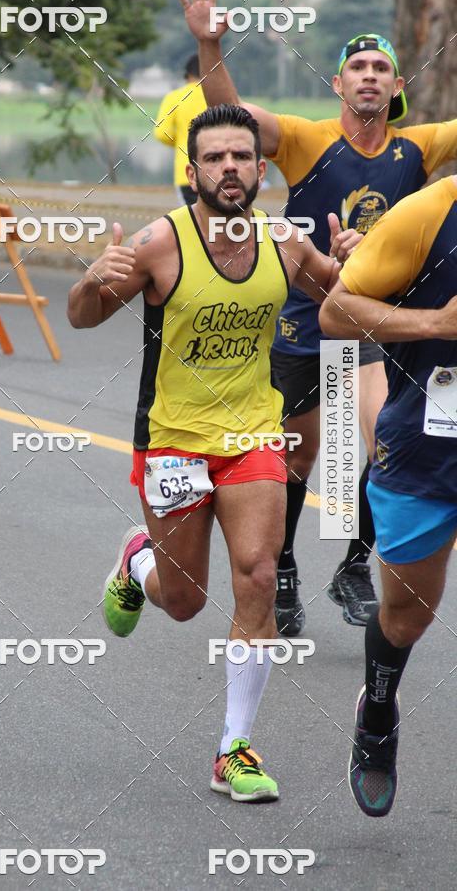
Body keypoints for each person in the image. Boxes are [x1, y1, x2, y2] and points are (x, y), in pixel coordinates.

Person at [68, 104, 360, 802]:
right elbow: (81, 315)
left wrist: (355, 261)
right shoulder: (156, 245)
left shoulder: (286, 243)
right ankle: (138, 557)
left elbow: (342, 300)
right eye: (215, 158)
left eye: (242, 156)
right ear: (192, 171)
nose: (230, 167)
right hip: (171, 438)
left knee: (258, 574)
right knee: (184, 601)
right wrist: (91, 277)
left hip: (253, 433)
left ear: (260, 169)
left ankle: (233, 747)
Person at [179, 0, 457, 635]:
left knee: (380, 435)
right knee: (298, 458)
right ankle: (282, 568)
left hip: (365, 315)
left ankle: (355, 564)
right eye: (357, 66)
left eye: (380, 68)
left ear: (395, 86)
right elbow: (231, 117)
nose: (368, 75)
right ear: (338, 83)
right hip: (304, 315)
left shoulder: (419, 149)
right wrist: (209, 44)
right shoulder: (308, 140)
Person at [320, 174, 457, 816]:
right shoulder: (431, 211)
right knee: (406, 616)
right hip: (429, 448)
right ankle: (378, 709)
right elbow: (336, 311)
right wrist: (434, 321)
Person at [154, 54, 207, 205]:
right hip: (218, 173)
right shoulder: (219, 96)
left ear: (188, 75)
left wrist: (180, 142)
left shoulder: (174, 97)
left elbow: (161, 133)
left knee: (191, 222)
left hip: (187, 172)